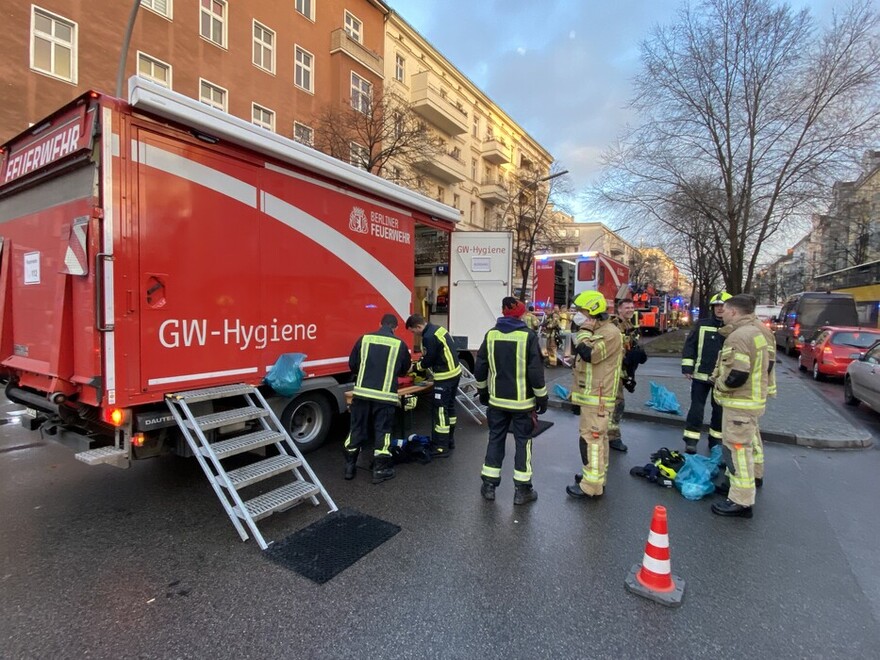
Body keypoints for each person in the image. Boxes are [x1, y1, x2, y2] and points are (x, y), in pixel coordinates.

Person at [474, 296, 548, 505]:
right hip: (522, 403)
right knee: (523, 443)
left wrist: (483, 391)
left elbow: (480, 367)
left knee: (495, 439)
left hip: (497, 401)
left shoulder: (491, 335)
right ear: (521, 315)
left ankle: (488, 485)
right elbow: (535, 371)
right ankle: (522, 490)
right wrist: (542, 397)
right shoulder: (528, 336)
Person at [710, 294, 776, 518]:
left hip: (740, 402)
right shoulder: (758, 332)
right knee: (750, 445)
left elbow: (737, 374)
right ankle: (751, 481)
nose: (723, 313)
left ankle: (740, 500)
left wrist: (718, 384)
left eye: (726, 310)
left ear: (734, 312)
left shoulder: (738, 337)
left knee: (738, 450)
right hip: (751, 401)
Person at [565, 290, 623, 499]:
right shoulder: (597, 330)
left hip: (598, 399)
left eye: (581, 311)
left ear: (592, 311)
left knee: (592, 441)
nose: (577, 314)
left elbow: (589, 355)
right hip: (591, 398)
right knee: (597, 440)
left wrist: (582, 332)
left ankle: (591, 486)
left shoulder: (609, 334)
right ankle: (595, 476)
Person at [343, 314, 412, 484]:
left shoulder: (364, 339)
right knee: (383, 431)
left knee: (356, 429)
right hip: (385, 397)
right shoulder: (400, 345)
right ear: (395, 328)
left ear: (379, 323)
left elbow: (352, 365)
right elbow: (404, 371)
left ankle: (350, 466)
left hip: (362, 394)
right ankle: (380, 470)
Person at [405, 314, 462, 457]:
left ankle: (440, 447)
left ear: (418, 326)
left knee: (440, 410)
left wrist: (414, 368)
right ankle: (449, 440)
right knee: (449, 407)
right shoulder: (439, 329)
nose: (414, 334)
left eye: (413, 331)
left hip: (444, 376)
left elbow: (428, 360)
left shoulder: (428, 337)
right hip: (455, 373)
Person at [681, 291, 730, 454]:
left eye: (723, 306)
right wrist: (687, 367)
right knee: (696, 408)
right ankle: (691, 440)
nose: (719, 309)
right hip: (700, 375)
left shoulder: (733, 328)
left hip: (722, 379)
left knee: (719, 411)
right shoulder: (702, 324)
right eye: (716, 306)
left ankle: (715, 441)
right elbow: (690, 346)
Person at [607, 298, 646, 453]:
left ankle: (608, 434)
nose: (630, 309)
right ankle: (613, 437)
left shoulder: (631, 325)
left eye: (632, 307)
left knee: (616, 403)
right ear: (619, 309)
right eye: (627, 307)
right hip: (613, 370)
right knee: (617, 403)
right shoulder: (614, 326)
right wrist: (626, 357)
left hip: (624, 371)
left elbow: (632, 345)